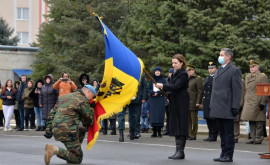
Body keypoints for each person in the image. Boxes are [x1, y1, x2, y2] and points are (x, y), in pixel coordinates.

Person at [43, 85, 96, 165]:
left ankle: (72, 152)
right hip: (69, 131)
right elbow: (88, 122)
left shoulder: (63, 97)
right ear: (88, 92)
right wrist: (91, 109)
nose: (91, 99)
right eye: (92, 96)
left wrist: (48, 130)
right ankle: (54, 150)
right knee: (78, 158)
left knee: (81, 129)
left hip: (56, 129)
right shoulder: (82, 100)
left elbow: (51, 114)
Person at [210, 48, 242, 162]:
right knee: (222, 133)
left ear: (228, 57)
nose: (220, 57)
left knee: (228, 133)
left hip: (227, 107)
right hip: (218, 107)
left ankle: (229, 155)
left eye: (222, 55)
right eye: (220, 54)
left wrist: (235, 107)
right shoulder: (218, 70)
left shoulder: (234, 70)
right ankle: (223, 153)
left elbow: (237, 90)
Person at [155, 54, 189, 159]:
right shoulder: (174, 74)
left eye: (176, 63)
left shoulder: (183, 74)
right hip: (174, 103)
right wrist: (164, 90)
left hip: (181, 103)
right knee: (176, 126)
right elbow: (170, 88)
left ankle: (181, 151)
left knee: (181, 126)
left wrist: (163, 86)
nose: (173, 65)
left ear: (181, 63)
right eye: (172, 63)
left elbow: (176, 86)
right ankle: (177, 150)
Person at [240, 60, 268, 144]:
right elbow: (245, 90)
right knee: (251, 120)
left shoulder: (262, 76)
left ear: (257, 67)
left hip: (258, 101)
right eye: (250, 67)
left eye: (253, 67)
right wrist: (243, 101)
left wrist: (263, 102)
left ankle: (258, 138)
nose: (251, 68)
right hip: (249, 101)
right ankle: (252, 137)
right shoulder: (248, 76)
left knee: (258, 121)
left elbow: (265, 90)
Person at [118, 74, 147, 142]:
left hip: (133, 97)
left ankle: (131, 133)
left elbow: (144, 87)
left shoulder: (140, 75)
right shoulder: (123, 73)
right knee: (123, 115)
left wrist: (143, 97)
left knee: (132, 116)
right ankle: (122, 134)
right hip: (125, 97)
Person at [148, 67, 167, 138]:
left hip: (160, 99)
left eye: (159, 71)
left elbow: (165, 88)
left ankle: (159, 132)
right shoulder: (151, 79)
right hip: (153, 99)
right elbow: (148, 88)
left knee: (159, 116)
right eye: (156, 71)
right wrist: (153, 92)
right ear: (154, 72)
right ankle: (154, 132)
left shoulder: (163, 80)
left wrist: (158, 93)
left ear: (160, 72)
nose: (157, 72)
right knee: (153, 116)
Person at [186, 64, 203, 140]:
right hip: (186, 102)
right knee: (188, 120)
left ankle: (193, 134)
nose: (188, 72)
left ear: (193, 71)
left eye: (190, 70)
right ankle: (189, 134)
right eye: (187, 71)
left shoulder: (197, 79)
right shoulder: (187, 79)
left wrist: (198, 102)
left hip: (193, 102)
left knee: (194, 120)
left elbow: (200, 92)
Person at [203, 62, 218, 142]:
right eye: (209, 68)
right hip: (206, 101)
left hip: (213, 101)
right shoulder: (207, 78)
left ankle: (214, 135)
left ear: (216, 69)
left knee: (213, 119)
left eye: (212, 68)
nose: (210, 70)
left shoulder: (217, 77)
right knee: (208, 118)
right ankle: (210, 134)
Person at [163, 68, 174, 136]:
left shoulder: (175, 81)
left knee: (173, 116)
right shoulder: (166, 80)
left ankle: (172, 130)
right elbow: (164, 89)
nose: (170, 74)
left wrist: (170, 96)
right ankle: (167, 130)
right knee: (168, 117)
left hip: (173, 100)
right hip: (167, 101)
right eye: (170, 73)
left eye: (172, 73)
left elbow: (174, 89)